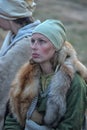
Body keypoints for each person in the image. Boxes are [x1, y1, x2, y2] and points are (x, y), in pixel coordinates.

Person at [4, 19, 87, 130]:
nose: (34, 46)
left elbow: (71, 125)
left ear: (56, 46)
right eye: (32, 41)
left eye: (42, 41)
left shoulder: (74, 83)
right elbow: (13, 116)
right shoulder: (25, 76)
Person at [0, 0, 41, 129]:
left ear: (6, 15)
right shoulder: (16, 35)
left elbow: (3, 82)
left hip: (20, 118)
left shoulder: (26, 44)